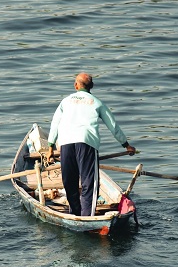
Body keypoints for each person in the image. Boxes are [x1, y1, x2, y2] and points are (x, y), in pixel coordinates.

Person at [46, 73, 136, 217]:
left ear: (76, 85)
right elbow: (113, 126)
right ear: (92, 87)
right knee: (89, 183)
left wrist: (50, 147)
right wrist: (126, 145)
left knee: (69, 181)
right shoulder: (97, 102)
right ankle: (87, 217)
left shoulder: (65, 101)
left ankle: (75, 214)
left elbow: (55, 124)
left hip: (66, 143)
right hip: (87, 142)